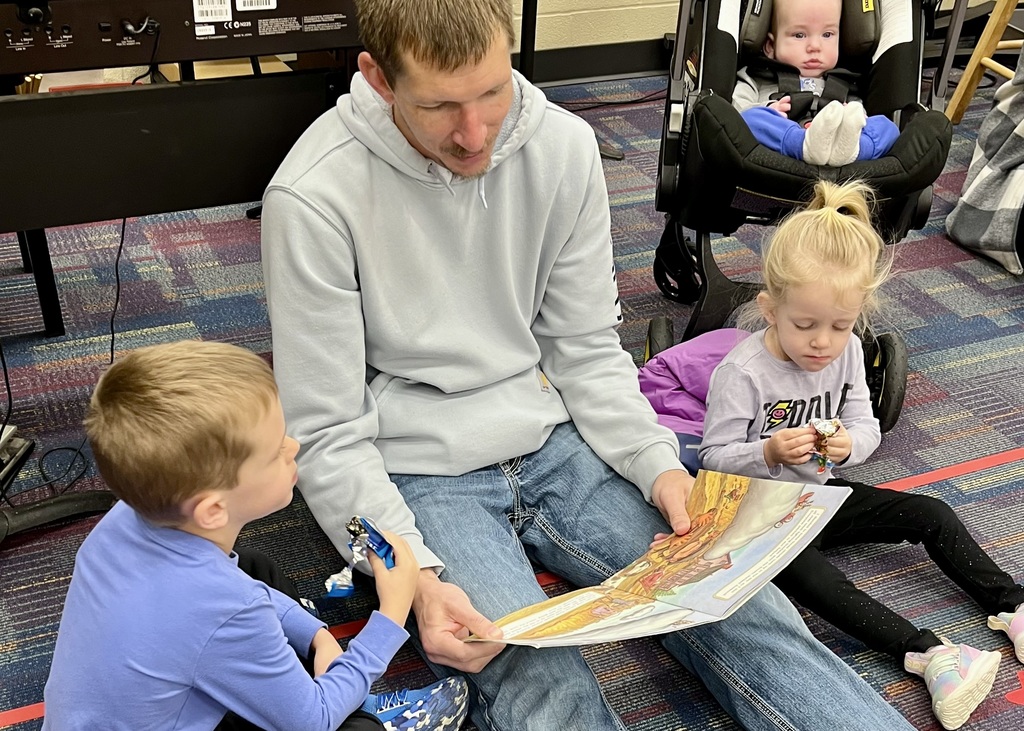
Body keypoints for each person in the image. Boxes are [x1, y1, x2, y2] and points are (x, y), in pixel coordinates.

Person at [259, 1, 921, 728]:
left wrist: (660, 467)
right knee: (537, 683)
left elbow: (584, 348)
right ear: (379, 80)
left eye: (491, 92)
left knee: (747, 608)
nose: (476, 132)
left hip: (557, 434)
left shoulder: (562, 148)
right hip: (417, 469)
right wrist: (411, 573)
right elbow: (325, 431)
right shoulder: (312, 194)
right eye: (441, 106)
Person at [696, 180, 1024, 731]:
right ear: (769, 309)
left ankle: (1013, 605)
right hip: (761, 510)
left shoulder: (846, 350)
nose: (823, 342)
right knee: (810, 576)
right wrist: (769, 451)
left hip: (820, 495)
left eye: (841, 326)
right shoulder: (743, 373)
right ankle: (927, 653)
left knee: (932, 514)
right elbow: (712, 460)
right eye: (804, 326)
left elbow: (866, 425)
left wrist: (852, 445)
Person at [42, 340, 469, 731]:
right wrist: (392, 614)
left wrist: (317, 635)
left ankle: (345, 688)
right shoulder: (225, 609)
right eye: (274, 451)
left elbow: (236, 599)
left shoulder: (124, 517)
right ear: (212, 510)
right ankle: (364, 706)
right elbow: (311, 720)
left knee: (254, 567)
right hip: (205, 662)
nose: (294, 447)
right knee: (351, 728)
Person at [732, 0, 900, 166]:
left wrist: (853, 117)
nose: (815, 46)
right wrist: (769, 110)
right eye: (799, 35)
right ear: (770, 45)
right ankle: (803, 144)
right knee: (749, 119)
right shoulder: (757, 78)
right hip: (785, 142)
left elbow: (859, 117)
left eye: (827, 35)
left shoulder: (845, 84)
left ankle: (855, 149)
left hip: (839, 144)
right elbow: (737, 111)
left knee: (888, 128)